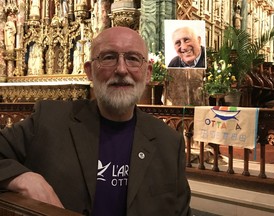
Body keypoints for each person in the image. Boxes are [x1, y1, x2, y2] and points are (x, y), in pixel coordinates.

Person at [0, 26, 191, 216]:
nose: (121, 69)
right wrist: (22, 178)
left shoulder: (169, 142)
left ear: (148, 73)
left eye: (133, 59)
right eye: (108, 57)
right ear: (90, 71)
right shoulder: (49, 121)